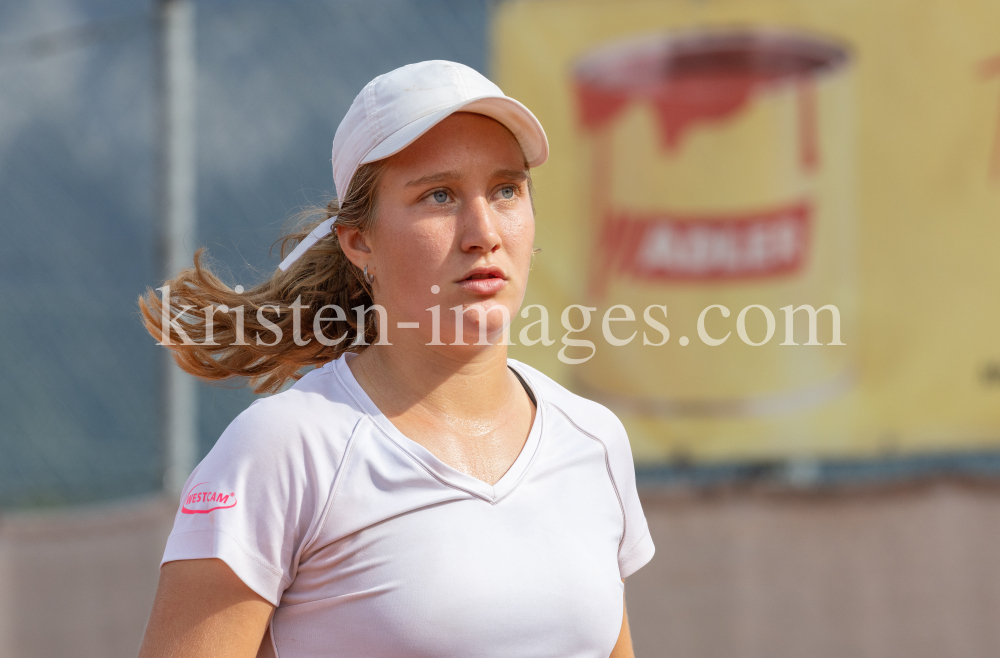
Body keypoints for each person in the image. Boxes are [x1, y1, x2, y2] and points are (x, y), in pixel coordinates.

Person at [137, 59, 654, 658]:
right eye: (440, 195)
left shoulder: (593, 438)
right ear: (359, 241)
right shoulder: (283, 448)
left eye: (506, 189)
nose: (483, 230)